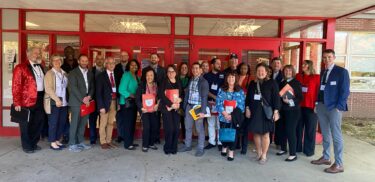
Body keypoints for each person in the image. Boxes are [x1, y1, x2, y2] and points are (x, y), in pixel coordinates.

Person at [311, 49, 350, 174]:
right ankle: (326, 157)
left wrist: (339, 107)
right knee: (325, 134)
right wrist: (317, 103)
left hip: (334, 108)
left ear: (334, 57)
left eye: (329, 57)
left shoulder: (341, 72)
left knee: (336, 135)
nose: (326, 60)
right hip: (322, 106)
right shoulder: (323, 71)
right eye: (324, 57)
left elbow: (345, 91)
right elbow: (320, 89)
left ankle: (339, 164)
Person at [12, 47, 46, 153]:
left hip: (40, 98)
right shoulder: (20, 67)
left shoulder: (41, 66)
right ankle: (27, 146)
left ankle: (34, 143)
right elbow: (16, 85)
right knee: (26, 124)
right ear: (28, 54)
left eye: (38, 53)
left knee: (38, 122)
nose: (37, 54)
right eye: (35, 53)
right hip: (26, 100)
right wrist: (17, 102)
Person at [246, 63, 281, 164]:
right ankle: (259, 153)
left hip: (267, 113)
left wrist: (276, 111)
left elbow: (276, 99)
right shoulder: (252, 83)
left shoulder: (272, 83)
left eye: (262, 71)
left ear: (266, 72)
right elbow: (248, 98)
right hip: (255, 112)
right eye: (258, 71)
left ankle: (264, 155)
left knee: (265, 134)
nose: (260, 73)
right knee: (256, 133)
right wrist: (247, 108)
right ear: (256, 72)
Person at [179, 62, 209, 157]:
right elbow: (187, 94)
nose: (195, 70)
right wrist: (184, 106)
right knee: (188, 127)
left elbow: (204, 97)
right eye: (193, 68)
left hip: (198, 107)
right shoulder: (191, 80)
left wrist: (203, 112)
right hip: (189, 106)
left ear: (200, 70)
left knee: (199, 129)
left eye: (197, 68)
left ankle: (200, 148)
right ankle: (187, 145)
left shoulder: (204, 82)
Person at [216, 70, 245, 161]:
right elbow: (218, 103)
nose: (231, 79)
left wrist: (232, 116)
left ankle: (231, 151)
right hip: (223, 116)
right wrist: (224, 113)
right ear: (226, 79)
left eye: (232, 77)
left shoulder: (240, 91)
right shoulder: (221, 89)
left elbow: (242, 106)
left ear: (235, 78)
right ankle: (224, 147)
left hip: (234, 118)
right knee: (224, 132)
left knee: (233, 134)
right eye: (229, 77)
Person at [67, 54, 94, 152]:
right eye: (82, 61)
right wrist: (83, 99)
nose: (84, 63)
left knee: (83, 123)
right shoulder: (73, 73)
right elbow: (73, 88)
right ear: (78, 61)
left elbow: (92, 86)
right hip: (76, 102)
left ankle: (80, 142)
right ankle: (72, 144)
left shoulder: (90, 73)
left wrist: (89, 96)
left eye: (86, 61)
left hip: (87, 102)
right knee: (74, 123)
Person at [277, 65, 303, 162]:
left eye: (290, 70)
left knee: (290, 131)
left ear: (293, 72)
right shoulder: (282, 82)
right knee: (282, 130)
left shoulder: (296, 82)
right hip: (283, 110)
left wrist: (290, 102)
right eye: (286, 70)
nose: (288, 72)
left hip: (293, 111)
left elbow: (300, 98)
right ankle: (283, 149)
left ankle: (293, 153)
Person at [296, 60, 320, 157]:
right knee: (298, 128)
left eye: (305, 64)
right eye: (302, 64)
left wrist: (317, 104)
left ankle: (309, 150)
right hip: (299, 106)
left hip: (311, 107)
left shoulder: (316, 77)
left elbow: (319, 92)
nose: (303, 65)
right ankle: (297, 148)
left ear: (309, 66)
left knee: (310, 129)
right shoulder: (298, 76)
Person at [44, 54, 68, 150]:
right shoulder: (49, 74)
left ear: (61, 62)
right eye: (54, 60)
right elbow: (48, 89)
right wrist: (57, 99)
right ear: (51, 62)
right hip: (53, 102)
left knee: (61, 122)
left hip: (64, 102)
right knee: (53, 123)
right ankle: (52, 142)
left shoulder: (64, 73)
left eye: (59, 60)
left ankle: (57, 140)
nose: (57, 62)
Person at [158, 65, 183, 155]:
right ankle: (167, 147)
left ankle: (174, 147)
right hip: (167, 108)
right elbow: (161, 95)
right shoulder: (164, 82)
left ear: (176, 72)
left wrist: (180, 99)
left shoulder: (179, 81)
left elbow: (182, 93)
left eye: (172, 71)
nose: (170, 73)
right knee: (169, 128)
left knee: (176, 128)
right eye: (169, 71)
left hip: (176, 108)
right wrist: (171, 104)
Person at [96, 57, 118, 149]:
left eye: (113, 63)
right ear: (106, 65)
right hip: (104, 103)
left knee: (110, 123)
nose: (111, 65)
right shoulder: (101, 76)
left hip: (114, 102)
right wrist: (101, 106)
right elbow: (98, 93)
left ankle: (109, 141)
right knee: (103, 123)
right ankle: (103, 141)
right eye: (109, 63)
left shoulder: (116, 75)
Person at [203, 58, 225, 150]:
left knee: (219, 123)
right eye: (217, 63)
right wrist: (214, 97)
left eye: (220, 63)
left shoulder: (223, 75)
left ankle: (220, 142)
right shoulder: (206, 76)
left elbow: (225, 88)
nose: (219, 65)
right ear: (212, 65)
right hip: (210, 102)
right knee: (211, 123)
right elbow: (205, 89)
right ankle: (212, 142)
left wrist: (219, 98)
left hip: (220, 103)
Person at [136, 66, 159, 152]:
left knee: (154, 126)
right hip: (144, 110)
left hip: (153, 109)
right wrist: (141, 107)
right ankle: (145, 145)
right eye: (147, 75)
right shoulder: (141, 85)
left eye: (151, 75)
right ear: (145, 76)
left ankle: (151, 143)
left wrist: (158, 104)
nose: (149, 77)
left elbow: (159, 97)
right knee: (147, 127)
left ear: (154, 76)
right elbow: (137, 99)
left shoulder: (156, 86)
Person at [119, 59, 140, 150]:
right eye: (132, 65)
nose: (134, 66)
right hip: (126, 104)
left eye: (135, 65)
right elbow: (121, 89)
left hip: (134, 103)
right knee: (127, 124)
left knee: (132, 123)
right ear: (128, 66)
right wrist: (130, 94)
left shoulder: (137, 76)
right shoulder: (126, 75)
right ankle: (127, 144)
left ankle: (130, 141)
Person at [145, 53, 166, 144]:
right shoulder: (146, 70)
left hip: (159, 96)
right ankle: (149, 138)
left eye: (155, 57)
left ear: (158, 59)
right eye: (152, 57)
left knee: (157, 119)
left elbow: (164, 82)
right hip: (148, 97)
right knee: (149, 119)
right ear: (150, 59)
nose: (153, 59)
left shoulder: (162, 70)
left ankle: (156, 137)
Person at [114, 51, 130, 143]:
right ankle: (120, 135)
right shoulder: (116, 67)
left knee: (128, 116)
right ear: (120, 57)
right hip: (119, 96)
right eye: (122, 55)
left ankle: (127, 134)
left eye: (125, 55)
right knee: (119, 116)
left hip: (129, 96)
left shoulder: (131, 66)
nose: (123, 57)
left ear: (128, 57)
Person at [237, 62, 253, 154]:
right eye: (242, 68)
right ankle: (237, 144)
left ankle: (244, 147)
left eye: (245, 68)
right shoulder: (236, 77)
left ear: (248, 70)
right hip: (237, 105)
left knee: (245, 128)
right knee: (237, 125)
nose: (243, 70)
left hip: (246, 105)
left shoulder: (250, 79)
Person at [89, 54, 105, 145]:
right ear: (95, 60)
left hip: (103, 100)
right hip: (93, 100)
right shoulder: (91, 71)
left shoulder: (107, 70)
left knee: (103, 120)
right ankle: (93, 138)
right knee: (92, 120)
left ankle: (103, 138)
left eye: (101, 59)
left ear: (103, 60)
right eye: (98, 59)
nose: (99, 60)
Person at [270, 57, 283, 146]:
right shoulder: (268, 73)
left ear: (281, 65)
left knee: (279, 123)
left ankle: (278, 142)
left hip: (280, 102)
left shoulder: (284, 75)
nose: (276, 65)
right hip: (269, 102)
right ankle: (269, 141)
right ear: (271, 64)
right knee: (269, 121)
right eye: (274, 63)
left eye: (278, 63)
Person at [178, 62, 190, 140]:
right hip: (177, 102)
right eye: (182, 67)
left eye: (185, 68)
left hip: (186, 103)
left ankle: (184, 138)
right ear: (180, 69)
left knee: (184, 122)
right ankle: (176, 138)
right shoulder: (176, 78)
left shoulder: (190, 79)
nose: (184, 69)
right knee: (176, 121)